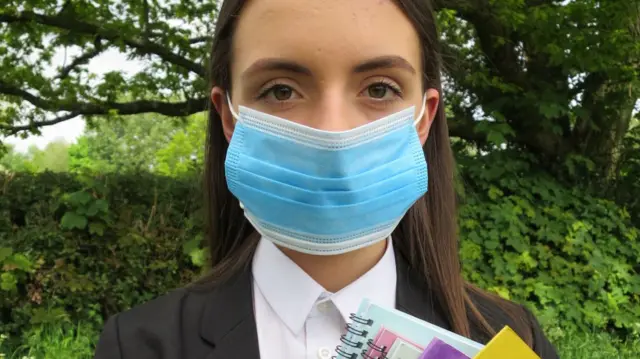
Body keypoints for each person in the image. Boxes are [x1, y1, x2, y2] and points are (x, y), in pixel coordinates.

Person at [94, 0, 560, 358]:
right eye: (281, 90)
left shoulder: (511, 340)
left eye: (379, 89)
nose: (332, 131)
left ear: (423, 118)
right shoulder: (137, 345)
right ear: (229, 117)